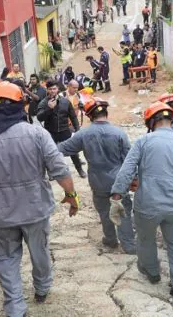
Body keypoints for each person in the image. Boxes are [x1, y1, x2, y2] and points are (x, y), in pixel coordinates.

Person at [0, 83, 79, 316]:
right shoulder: (37, 134)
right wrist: (71, 196)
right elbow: (60, 169)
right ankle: (42, 289)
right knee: (39, 250)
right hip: (35, 209)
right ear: (20, 106)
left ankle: (14, 306)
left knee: (5, 259)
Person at [110, 102, 173, 305]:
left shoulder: (143, 142)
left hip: (148, 205)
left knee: (146, 240)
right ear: (171, 121)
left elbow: (126, 171)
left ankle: (153, 274)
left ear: (151, 122)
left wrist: (116, 198)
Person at [58, 98, 136, 253]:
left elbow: (60, 149)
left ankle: (110, 240)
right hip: (119, 183)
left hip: (98, 182)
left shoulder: (84, 134)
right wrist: (135, 179)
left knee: (104, 212)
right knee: (123, 212)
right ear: (106, 113)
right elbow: (130, 160)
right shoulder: (119, 133)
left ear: (89, 116)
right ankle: (129, 245)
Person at [37, 81, 86, 178]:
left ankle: (79, 169)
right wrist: (49, 109)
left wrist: (78, 129)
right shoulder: (43, 102)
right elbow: (39, 117)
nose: (52, 91)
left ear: (57, 89)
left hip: (65, 130)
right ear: (47, 90)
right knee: (49, 153)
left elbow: (73, 117)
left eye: (54, 89)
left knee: (73, 151)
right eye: (50, 89)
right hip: (51, 132)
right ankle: (51, 172)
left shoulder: (65, 101)